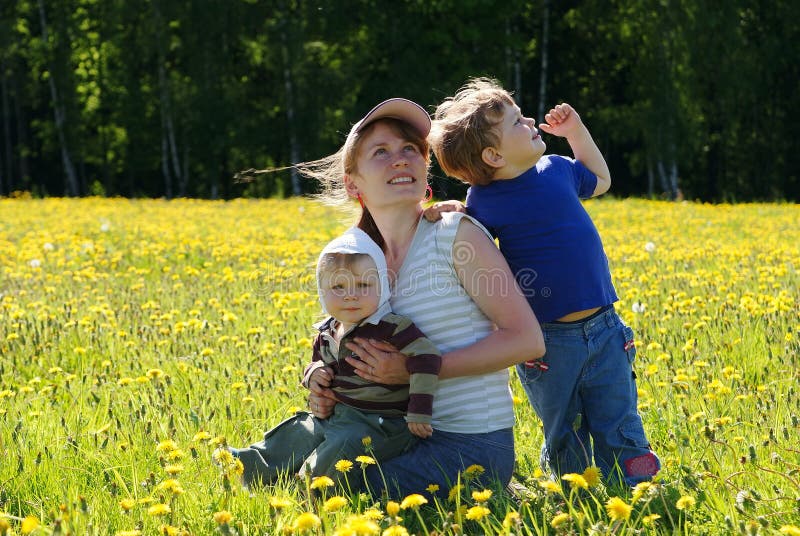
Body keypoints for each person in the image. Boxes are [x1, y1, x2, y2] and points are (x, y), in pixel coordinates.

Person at [303, 97, 545, 499]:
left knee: (335, 493)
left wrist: (415, 370)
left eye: (410, 150)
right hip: (390, 432)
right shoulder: (358, 255)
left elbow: (526, 340)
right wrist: (326, 385)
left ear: (424, 167)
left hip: (471, 445)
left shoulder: (455, 235)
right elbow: (343, 337)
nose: (400, 160)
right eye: (381, 152)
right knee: (283, 465)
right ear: (352, 182)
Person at [426, 77, 660, 487]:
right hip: (548, 339)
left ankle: (635, 473)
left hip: (605, 325)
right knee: (561, 420)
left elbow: (600, 180)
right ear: (494, 155)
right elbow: (471, 239)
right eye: (517, 121)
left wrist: (576, 132)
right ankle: (573, 484)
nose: (531, 120)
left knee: (617, 408)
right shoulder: (483, 202)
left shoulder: (557, 169)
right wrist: (451, 210)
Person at [222, 228, 441, 489]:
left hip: (382, 424)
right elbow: (317, 363)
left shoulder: (391, 327)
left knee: (341, 446)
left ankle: (306, 489)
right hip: (338, 413)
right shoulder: (328, 330)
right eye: (338, 286)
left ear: (382, 286)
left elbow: (427, 356)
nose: (351, 295)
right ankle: (245, 467)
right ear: (321, 290)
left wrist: (419, 410)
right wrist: (313, 376)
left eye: (363, 285)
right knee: (298, 431)